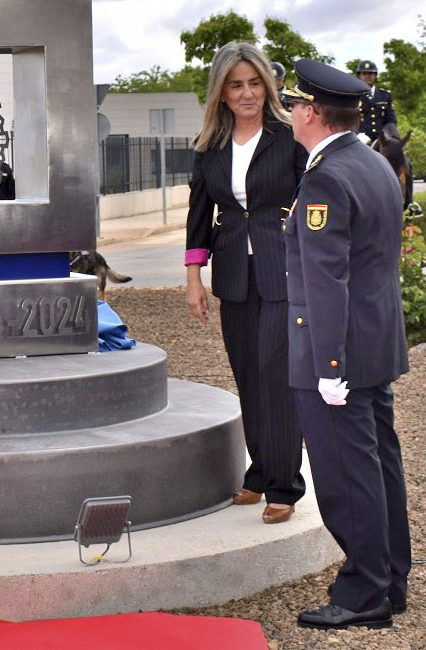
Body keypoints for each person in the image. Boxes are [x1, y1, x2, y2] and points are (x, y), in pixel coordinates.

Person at [282, 59, 410, 630]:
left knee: (347, 475)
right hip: (375, 342)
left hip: (339, 354)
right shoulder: (375, 163)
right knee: (379, 465)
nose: (289, 114)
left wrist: (328, 366)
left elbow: (326, 281)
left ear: (311, 111)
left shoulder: (327, 177)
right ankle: (390, 578)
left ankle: (363, 594)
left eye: (292, 105)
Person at [185, 41, 307, 524]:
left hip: (284, 271)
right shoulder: (209, 146)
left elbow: (312, 201)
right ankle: (259, 472)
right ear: (222, 91)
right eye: (236, 85)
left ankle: (285, 483)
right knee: (248, 375)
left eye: (255, 82)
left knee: (277, 375)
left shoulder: (289, 136)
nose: (247, 93)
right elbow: (199, 217)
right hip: (234, 273)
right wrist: (193, 277)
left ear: (268, 84)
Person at [354, 59, 396, 144]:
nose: (367, 76)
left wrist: (388, 135)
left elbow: (391, 120)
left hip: (382, 142)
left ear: (375, 75)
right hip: (360, 142)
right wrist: (357, 135)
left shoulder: (385, 95)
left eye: (370, 73)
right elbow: (347, 121)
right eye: (364, 73)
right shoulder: (353, 96)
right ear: (359, 76)